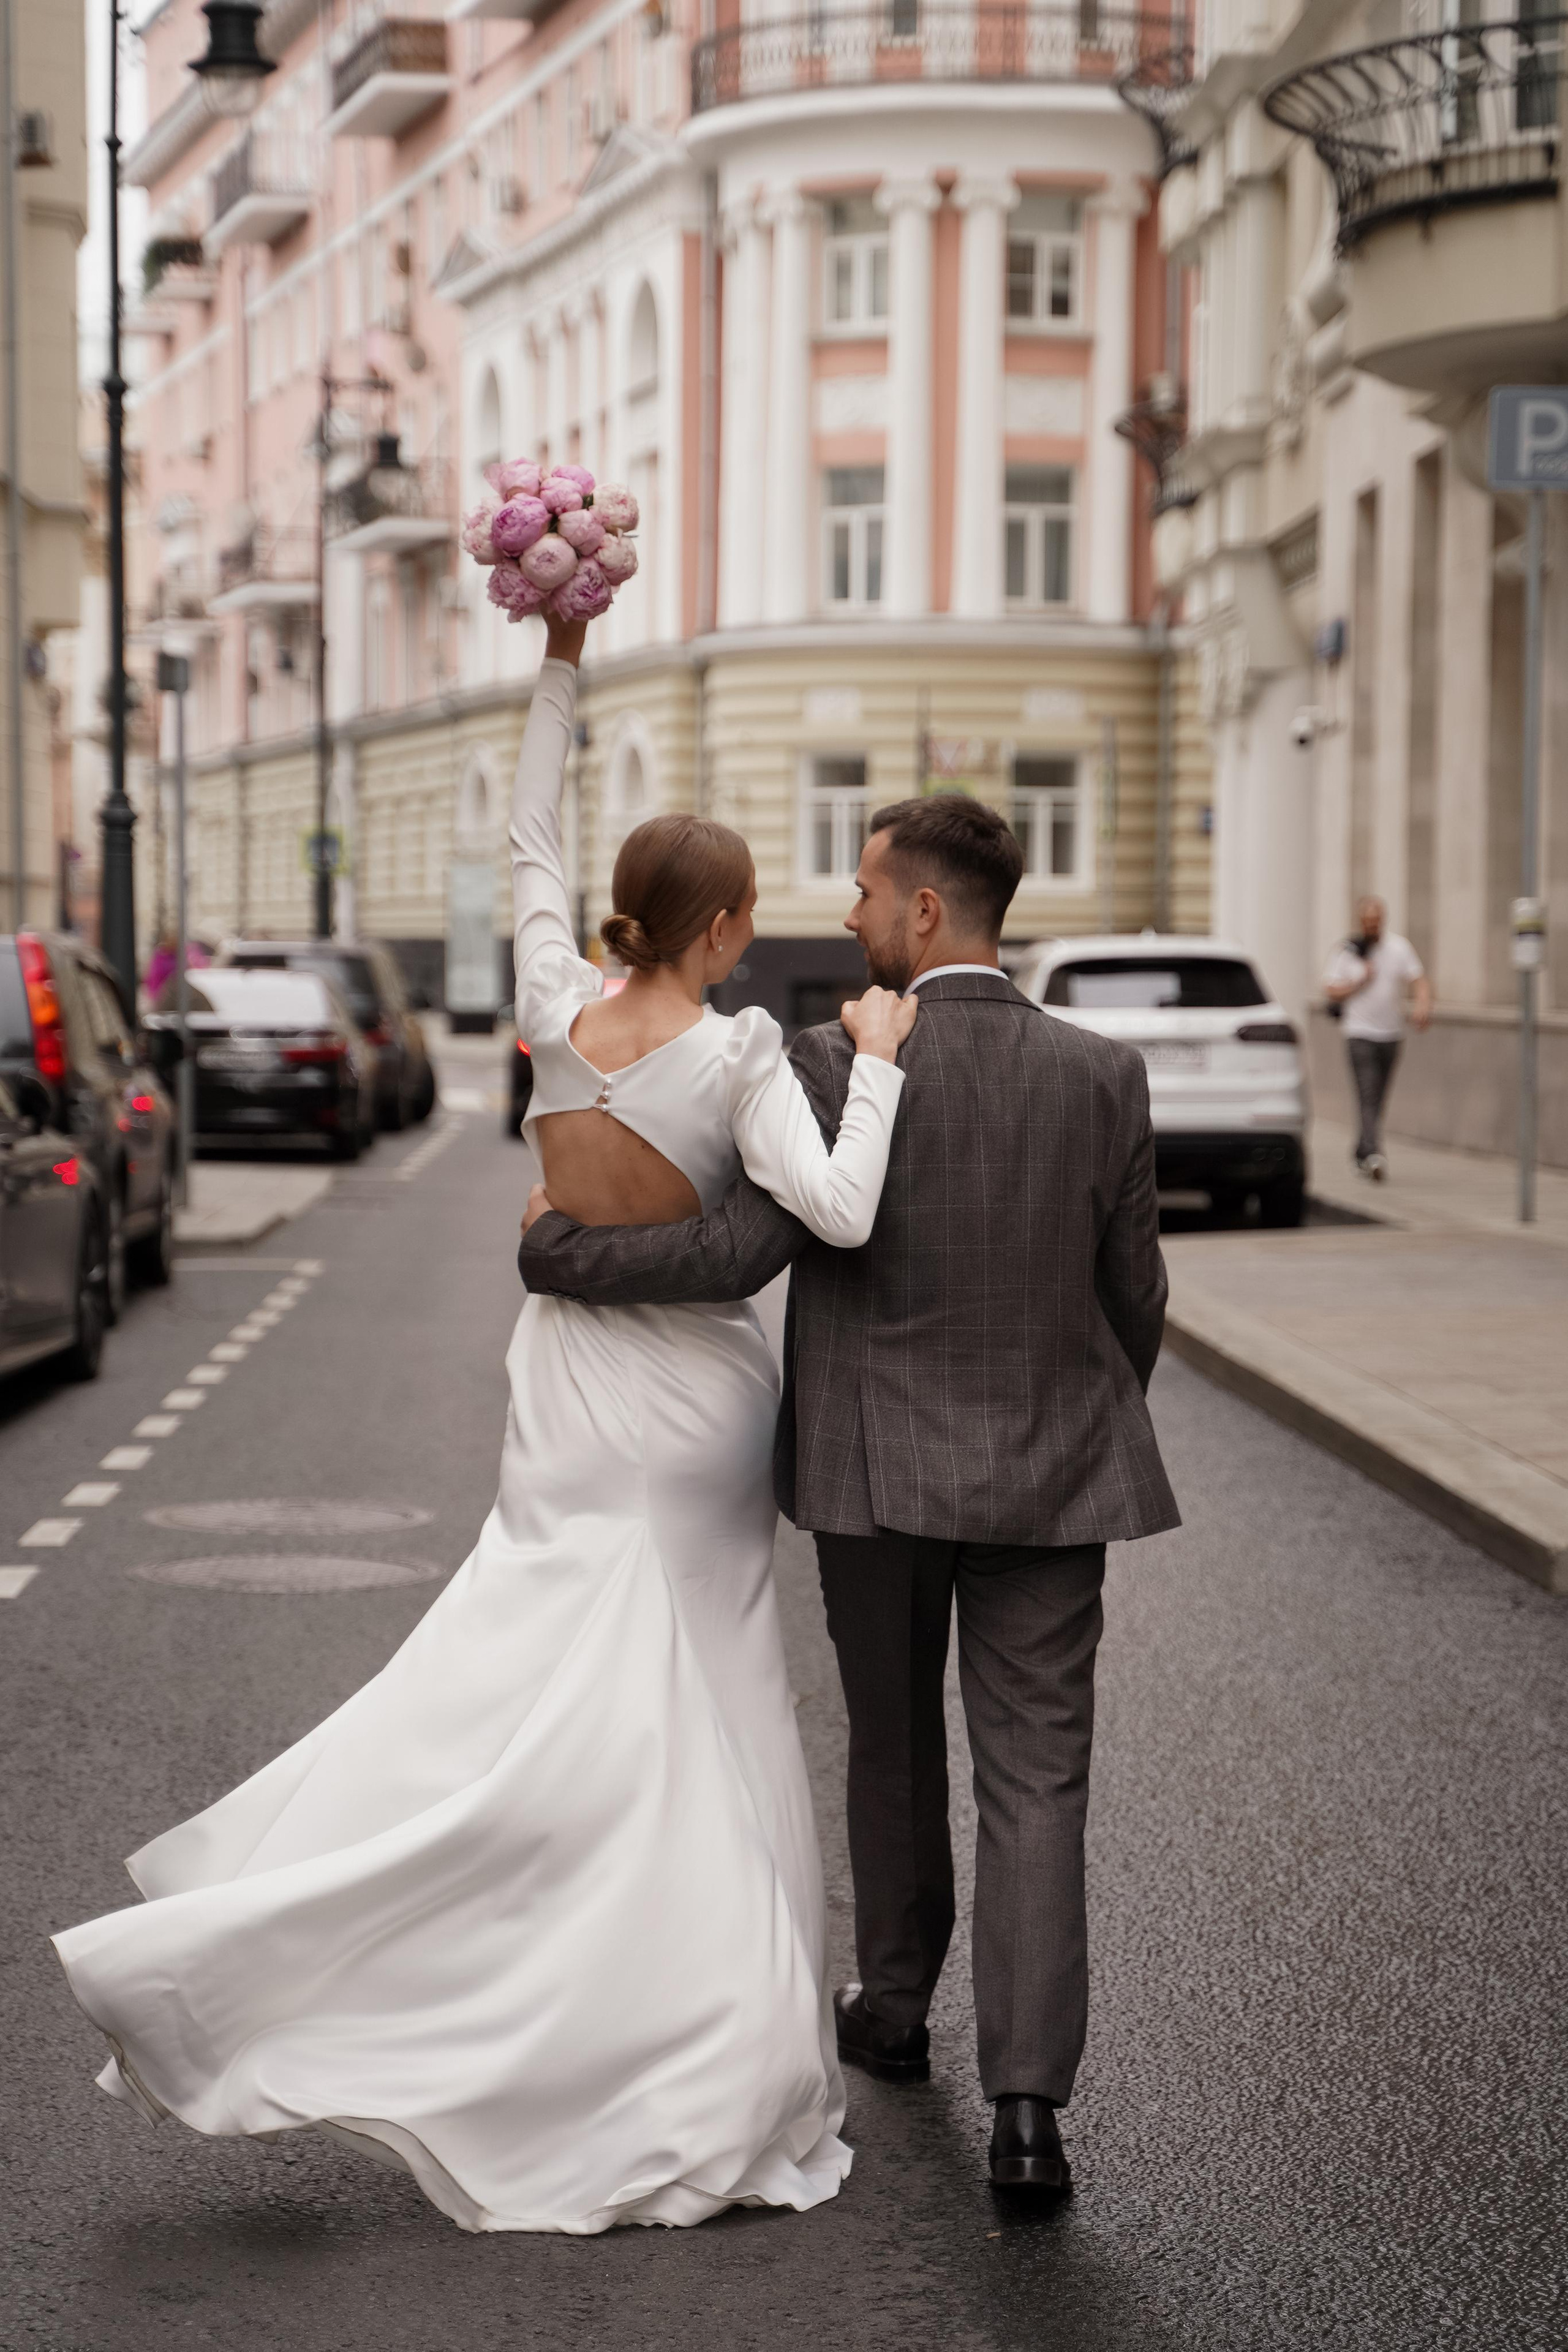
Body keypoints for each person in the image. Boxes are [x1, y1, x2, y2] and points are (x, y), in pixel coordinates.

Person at [51, 610, 918, 2236]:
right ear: (724, 928)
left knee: (534, 1667)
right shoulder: (738, 1055)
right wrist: (870, 1061)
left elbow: (529, 832)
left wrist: (566, 655)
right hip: (697, 1407)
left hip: (567, 1394)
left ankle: (369, 1941)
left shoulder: (548, 1001)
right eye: (740, 921)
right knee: (710, 1702)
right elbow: (846, 1215)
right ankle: (697, 2034)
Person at [521, 791, 1179, 2197]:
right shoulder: (1101, 1074)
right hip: (1056, 1482)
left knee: (887, 1745)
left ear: (925, 912)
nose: (849, 911)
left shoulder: (830, 1056)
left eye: (869, 889)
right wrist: (1070, 1403)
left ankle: (891, 2008)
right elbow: (1136, 1302)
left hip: (875, 1478)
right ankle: (1023, 2109)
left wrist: (555, 1253)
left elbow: (735, 1253)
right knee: (1037, 1781)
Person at [1323, 897, 1431, 1180]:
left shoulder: (1398, 948)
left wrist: (1423, 1005)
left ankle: (1361, 1150)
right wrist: (1360, 981)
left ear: (1383, 920)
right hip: (1359, 1033)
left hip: (1391, 1034)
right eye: (1367, 921)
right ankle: (1373, 1155)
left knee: (1378, 1096)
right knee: (1368, 1092)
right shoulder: (1347, 952)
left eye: (1377, 920)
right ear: (1361, 922)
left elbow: (1419, 980)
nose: (1372, 926)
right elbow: (1330, 990)